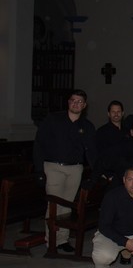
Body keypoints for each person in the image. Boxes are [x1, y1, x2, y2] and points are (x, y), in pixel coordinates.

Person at [33, 89, 97, 252]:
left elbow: (91, 151)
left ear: (85, 105)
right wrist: (39, 170)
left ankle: (62, 240)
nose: (76, 104)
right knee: (53, 204)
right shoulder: (53, 119)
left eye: (80, 101)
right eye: (73, 100)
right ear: (68, 102)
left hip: (75, 169)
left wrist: (96, 173)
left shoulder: (87, 126)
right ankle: (51, 240)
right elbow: (39, 144)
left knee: (67, 206)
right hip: (54, 167)